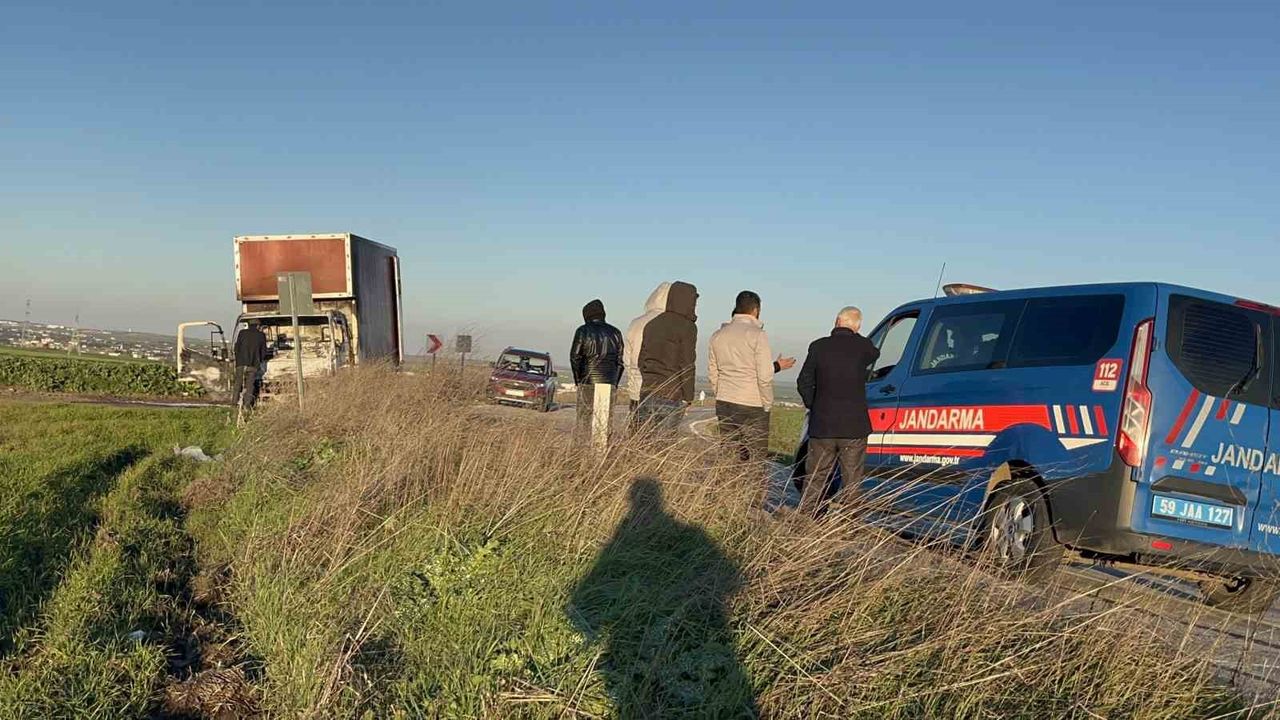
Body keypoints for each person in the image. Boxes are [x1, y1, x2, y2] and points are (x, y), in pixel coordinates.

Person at [796, 306, 880, 517]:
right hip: (853, 427)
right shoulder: (863, 346)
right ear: (857, 326)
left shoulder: (818, 347)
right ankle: (850, 523)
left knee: (815, 476)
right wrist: (855, 335)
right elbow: (875, 353)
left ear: (836, 321)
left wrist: (814, 405)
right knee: (852, 480)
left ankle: (807, 518)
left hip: (822, 425)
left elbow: (803, 381)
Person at [707, 291, 796, 463]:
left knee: (728, 456)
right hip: (752, 404)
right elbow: (764, 376)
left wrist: (720, 393)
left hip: (725, 401)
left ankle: (726, 481)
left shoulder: (717, 335)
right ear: (756, 310)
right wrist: (767, 403)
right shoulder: (757, 334)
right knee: (755, 459)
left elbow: (713, 372)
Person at [636, 281, 698, 436]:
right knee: (663, 445)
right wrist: (688, 397)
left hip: (647, 392)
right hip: (672, 395)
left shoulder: (652, 324)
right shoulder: (687, 327)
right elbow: (687, 365)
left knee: (644, 442)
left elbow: (641, 361)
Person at [570, 299, 625, 446]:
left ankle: (582, 450)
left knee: (585, 419)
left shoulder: (583, 331)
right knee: (604, 421)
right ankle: (601, 450)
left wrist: (578, 380)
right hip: (609, 382)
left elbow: (575, 357)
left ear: (586, 315)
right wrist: (614, 383)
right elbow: (621, 362)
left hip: (588, 381)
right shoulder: (616, 332)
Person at [623, 282, 671, 415]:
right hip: (662, 390)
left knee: (636, 423)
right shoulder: (671, 324)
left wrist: (632, 381)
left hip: (636, 388)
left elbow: (626, 359)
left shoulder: (636, 323)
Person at [231, 320, 269, 416]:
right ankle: (246, 406)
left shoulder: (242, 333)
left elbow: (236, 348)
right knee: (249, 386)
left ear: (248, 325)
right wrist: (259, 360)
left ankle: (234, 405)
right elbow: (264, 352)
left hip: (240, 364)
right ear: (258, 326)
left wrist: (238, 359)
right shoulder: (261, 335)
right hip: (253, 365)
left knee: (238, 384)